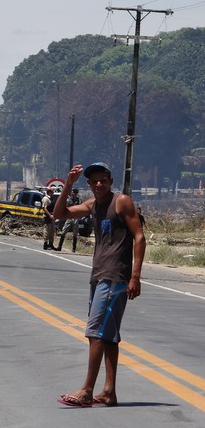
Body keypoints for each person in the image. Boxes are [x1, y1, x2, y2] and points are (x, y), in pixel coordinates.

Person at [54, 162, 145, 407]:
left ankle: (86, 390)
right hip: (98, 276)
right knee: (108, 337)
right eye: (93, 181)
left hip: (115, 278)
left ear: (110, 180)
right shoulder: (93, 205)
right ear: (89, 184)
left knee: (95, 333)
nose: (98, 184)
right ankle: (108, 392)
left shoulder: (121, 201)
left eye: (102, 180)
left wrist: (135, 276)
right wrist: (68, 185)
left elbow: (139, 237)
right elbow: (59, 214)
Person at [57, 188, 81, 252]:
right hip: (69, 217)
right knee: (64, 231)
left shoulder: (78, 200)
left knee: (75, 233)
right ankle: (59, 246)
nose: (72, 193)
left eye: (73, 192)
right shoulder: (68, 200)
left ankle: (74, 248)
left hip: (76, 217)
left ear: (75, 193)